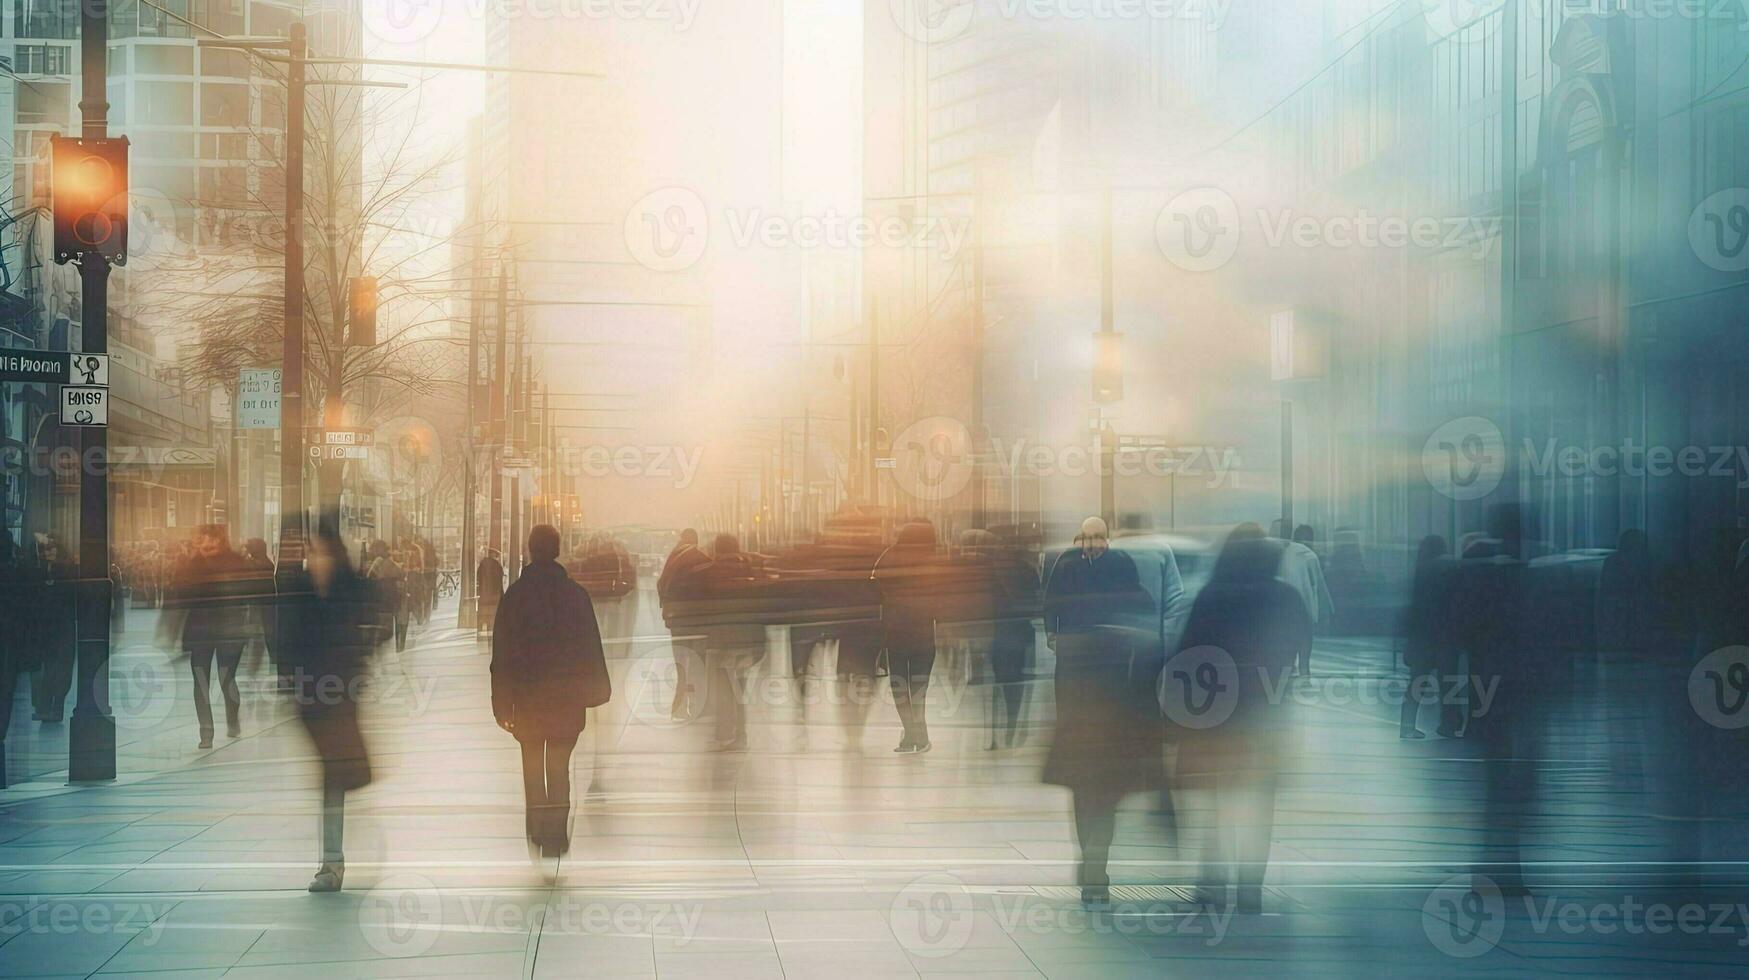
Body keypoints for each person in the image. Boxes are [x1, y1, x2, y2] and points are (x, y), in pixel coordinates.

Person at [1174, 524, 1309, 914]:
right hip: (1266, 713)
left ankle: (1212, 882)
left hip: (1217, 714)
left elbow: (1189, 652)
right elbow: (1298, 643)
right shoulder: (1284, 595)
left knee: (1217, 801)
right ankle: (1251, 887)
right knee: (1259, 802)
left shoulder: (1212, 595)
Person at [1042, 517, 1160, 904]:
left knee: (1091, 789)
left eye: (1097, 537)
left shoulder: (1119, 565)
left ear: (1106, 539)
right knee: (1096, 791)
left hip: (1098, 700)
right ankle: (1093, 860)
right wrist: (1052, 631)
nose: (1092, 544)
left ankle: (1095, 861)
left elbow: (1140, 599)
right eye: (1087, 537)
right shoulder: (1068, 565)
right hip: (1086, 697)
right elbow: (1051, 600)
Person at [491, 525, 611, 858]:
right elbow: (591, 646)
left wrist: (501, 704)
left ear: (530, 551)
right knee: (559, 766)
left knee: (532, 764)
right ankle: (556, 835)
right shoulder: (576, 595)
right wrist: (595, 689)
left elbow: (501, 655)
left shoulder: (515, 596)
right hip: (566, 699)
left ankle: (537, 828)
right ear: (558, 550)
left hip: (526, 701)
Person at [280, 520, 380, 893]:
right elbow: (287, 638)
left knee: (332, 776)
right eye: (311, 552)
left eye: (320, 551)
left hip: (340, 695)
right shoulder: (303, 591)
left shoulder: (350, 590)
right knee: (334, 774)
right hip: (311, 697)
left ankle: (331, 862)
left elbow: (372, 628)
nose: (315, 559)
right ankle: (333, 858)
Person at [166, 526, 254, 748]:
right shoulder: (192, 565)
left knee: (227, 678)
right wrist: (173, 628)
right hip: (201, 632)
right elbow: (180, 597)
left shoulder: (235, 561)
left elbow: (248, 594)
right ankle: (206, 731)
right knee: (201, 681)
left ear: (219, 540)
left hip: (228, 631)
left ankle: (232, 720)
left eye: (208, 538)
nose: (203, 542)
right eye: (200, 538)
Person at [675, 534, 764, 751]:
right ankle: (741, 733)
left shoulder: (709, 573)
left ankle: (724, 733)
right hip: (748, 640)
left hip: (722, 640)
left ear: (717, 549)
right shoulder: (752, 570)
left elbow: (698, 605)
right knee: (740, 688)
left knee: (723, 687)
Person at [871, 520, 947, 754]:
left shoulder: (889, 556)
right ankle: (921, 735)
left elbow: (875, 588)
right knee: (918, 686)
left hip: (895, 632)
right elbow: (943, 598)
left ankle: (909, 736)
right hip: (923, 633)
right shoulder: (934, 560)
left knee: (899, 685)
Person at [1398, 535, 1462, 739]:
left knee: (1417, 683)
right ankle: (1449, 724)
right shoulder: (1451, 567)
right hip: (1447, 634)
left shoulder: (1422, 570)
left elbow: (1415, 607)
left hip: (1422, 637)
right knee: (1448, 682)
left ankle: (1407, 726)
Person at [656, 530, 711, 720]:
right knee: (697, 664)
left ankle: (678, 707)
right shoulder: (700, 557)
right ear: (696, 540)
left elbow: (660, 584)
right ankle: (697, 707)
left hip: (676, 619)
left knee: (681, 663)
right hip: (695, 620)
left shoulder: (673, 557)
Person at [1278, 524, 1334, 675]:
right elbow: (1318, 585)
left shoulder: (1283, 553)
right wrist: (1325, 614)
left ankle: (1289, 671)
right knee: (1304, 643)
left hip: (1285, 608)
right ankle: (1304, 670)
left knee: (1288, 648)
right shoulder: (1310, 556)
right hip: (1305, 608)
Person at [364, 541, 409, 652]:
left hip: (383, 604)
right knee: (392, 629)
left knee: (385, 634)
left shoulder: (380, 562)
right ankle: (398, 648)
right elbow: (401, 575)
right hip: (389, 603)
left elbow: (370, 578)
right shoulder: (386, 563)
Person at [477, 549, 505, 635]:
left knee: (483, 613)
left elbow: (479, 578)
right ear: (493, 555)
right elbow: (499, 581)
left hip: (484, 594)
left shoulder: (482, 564)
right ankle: (491, 628)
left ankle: (481, 628)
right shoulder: (497, 565)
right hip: (495, 595)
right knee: (493, 614)